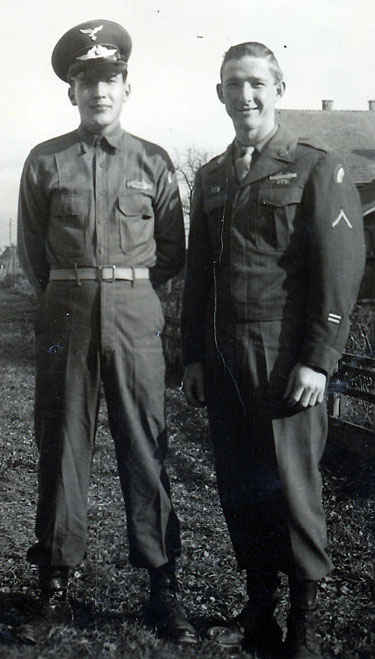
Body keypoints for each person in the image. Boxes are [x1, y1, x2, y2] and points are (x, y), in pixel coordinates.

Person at [182, 41, 365, 658]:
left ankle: (303, 626)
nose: (246, 97)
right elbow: (198, 277)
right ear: (220, 94)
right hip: (228, 360)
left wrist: (320, 358)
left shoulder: (316, 167)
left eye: (257, 83)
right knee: (240, 486)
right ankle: (259, 612)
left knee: (293, 488)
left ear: (278, 90)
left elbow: (339, 271)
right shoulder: (210, 177)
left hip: (287, 361)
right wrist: (195, 357)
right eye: (234, 85)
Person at [17, 19, 197, 645]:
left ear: (128, 86)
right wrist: (73, 288)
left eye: (110, 79)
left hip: (134, 313)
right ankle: (56, 581)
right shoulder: (45, 161)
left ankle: (161, 584)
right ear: (71, 91)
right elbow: (33, 254)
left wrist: (125, 288)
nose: (99, 90)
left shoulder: (153, 160)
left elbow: (172, 251)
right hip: (65, 310)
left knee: (145, 444)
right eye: (86, 80)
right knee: (62, 446)